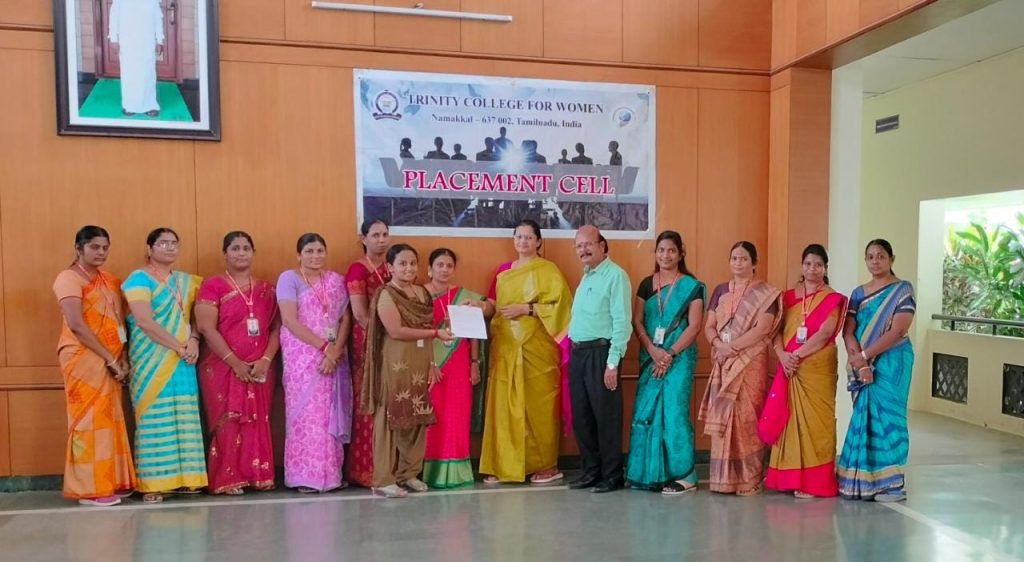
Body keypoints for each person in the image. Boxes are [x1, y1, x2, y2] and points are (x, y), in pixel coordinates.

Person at [480, 220, 573, 485]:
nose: (523, 241)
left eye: (529, 237)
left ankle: (545, 465)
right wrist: (479, 306)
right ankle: (502, 464)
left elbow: (562, 308)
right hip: (506, 349)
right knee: (504, 407)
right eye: (519, 237)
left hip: (538, 351)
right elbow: (493, 305)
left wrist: (527, 309)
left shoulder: (549, 271)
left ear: (539, 241)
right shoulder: (503, 272)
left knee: (539, 407)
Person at [362, 244, 455, 498]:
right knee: (390, 418)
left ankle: (409, 473)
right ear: (390, 268)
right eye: (402, 263)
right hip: (395, 363)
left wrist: (432, 363)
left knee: (417, 417)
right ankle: (383, 480)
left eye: (413, 263)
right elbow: (396, 331)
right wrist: (435, 333)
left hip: (419, 363)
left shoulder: (422, 293)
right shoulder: (386, 294)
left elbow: (427, 327)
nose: (409, 268)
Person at [53, 226, 136, 506]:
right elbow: (77, 325)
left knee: (110, 418)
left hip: (112, 360)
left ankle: (112, 480)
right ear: (79, 248)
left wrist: (122, 357)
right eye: (94, 247)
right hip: (82, 357)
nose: (101, 252)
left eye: (105, 247)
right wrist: (109, 359)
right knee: (89, 421)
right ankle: (89, 489)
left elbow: (120, 323)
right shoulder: (68, 278)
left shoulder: (110, 281)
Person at [122, 227, 206, 503]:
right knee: (154, 419)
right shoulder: (138, 279)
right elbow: (144, 321)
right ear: (149, 249)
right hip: (152, 360)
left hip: (185, 359)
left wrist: (194, 340)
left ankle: (187, 480)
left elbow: (197, 316)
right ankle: (153, 483)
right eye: (162, 243)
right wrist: (178, 346)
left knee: (184, 415)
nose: (169, 248)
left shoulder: (186, 281)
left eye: (174, 243)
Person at [195, 231, 281, 495]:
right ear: (225, 253)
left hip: (261, 367)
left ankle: (257, 475)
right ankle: (228, 477)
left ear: (253, 253)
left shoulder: (267, 289)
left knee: (257, 418)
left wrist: (266, 359)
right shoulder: (213, 285)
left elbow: (277, 329)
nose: (241, 253)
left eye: (246, 248)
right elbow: (206, 328)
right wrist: (235, 364)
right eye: (235, 248)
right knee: (230, 421)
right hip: (222, 367)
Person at [698, 241, 781, 496]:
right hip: (723, 361)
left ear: (754, 263)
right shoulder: (721, 290)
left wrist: (731, 348)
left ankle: (749, 479)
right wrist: (718, 345)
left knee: (747, 417)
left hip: (750, 360)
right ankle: (723, 480)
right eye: (734, 258)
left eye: (744, 259)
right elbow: (709, 325)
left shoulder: (766, 293)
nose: (738, 263)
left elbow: (763, 328)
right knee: (724, 417)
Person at [765, 244, 848, 498]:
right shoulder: (787, 297)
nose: (813, 269)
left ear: (825, 269)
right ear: (802, 266)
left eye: (818, 265)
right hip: (789, 366)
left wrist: (796, 356)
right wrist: (782, 355)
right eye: (808, 264)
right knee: (789, 419)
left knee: (817, 423)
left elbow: (825, 333)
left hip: (816, 369)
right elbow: (775, 330)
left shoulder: (832, 298)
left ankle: (814, 482)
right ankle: (788, 478)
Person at [626, 231, 705, 495]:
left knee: (674, 413)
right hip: (650, 358)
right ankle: (648, 473)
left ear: (680, 253)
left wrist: (669, 353)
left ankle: (684, 476)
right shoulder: (646, 284)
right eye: (661, 250)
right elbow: (637, 320)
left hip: (679, 359)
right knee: (646, 413)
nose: (665, 255)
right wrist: (652, 349)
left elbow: (694, 326)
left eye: (671, 250)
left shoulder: (692, 286)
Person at [837, 239, 916, 502]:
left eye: (880, 256)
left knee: (890, 417)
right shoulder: (859, 293)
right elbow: (848, 331)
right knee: (865, 416)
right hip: (862, 362)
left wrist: (865, 357)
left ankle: (892, 484)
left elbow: (898, 330)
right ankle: (862, 480)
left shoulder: (902, 290)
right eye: (870, 257)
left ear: (892, 259)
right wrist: (861, 364)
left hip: (893, 361)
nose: (875, 261)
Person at [277, 233, 353, 493]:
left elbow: (345, 319)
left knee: (329, 414)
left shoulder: (336, 281)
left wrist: (336, 350)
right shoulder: (289, 279)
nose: (315, 256)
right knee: (305, 414)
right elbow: (289, 320)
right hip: (302, 358)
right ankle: (303, 476)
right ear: (299, 255)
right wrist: (325, 348)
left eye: (320, 250)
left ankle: (331, 476)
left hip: (333, 356)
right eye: (309, 251)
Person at [566, 226, 632, 493]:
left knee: (606, 417)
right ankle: (591, 471)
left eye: (588, 244)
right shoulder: (586, 276)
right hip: (578, 354)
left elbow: (622, 322)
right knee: (582, 417)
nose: (583, 250)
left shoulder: (616, 276)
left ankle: (612, 475)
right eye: (579, 245)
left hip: (601, 354)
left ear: (602, 246)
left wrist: (612, 363)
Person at [422, 249, 494, 488]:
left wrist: (474, 364)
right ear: (429, 269)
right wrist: (429, 364)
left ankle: (456, 473)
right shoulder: (419, 295)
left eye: (449, 265)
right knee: (433, 417)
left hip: (460, 362)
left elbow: (474, 331)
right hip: (430, 363)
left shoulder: (463, 296)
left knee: (457, 415)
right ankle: (430, 472)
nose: (444, 269)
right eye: (439, 265)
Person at [344, 218, 392, 487]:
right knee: (369, 404)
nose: (381, 240)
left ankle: (389, 468)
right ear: (363, 239)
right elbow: (360, 314)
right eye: (375, 235)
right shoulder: (358, 269)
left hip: (394, 343)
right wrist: (383, 339)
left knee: (391, 404)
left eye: (385, 234)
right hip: (368, 345)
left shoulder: (392, 266)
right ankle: (365, 470)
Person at [108, 0, 164, 117]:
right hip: (127, 41)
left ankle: (150, 105)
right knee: (129, 73)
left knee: (147, 73)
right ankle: (130, 105)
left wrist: (159, 40)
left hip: (146, 41)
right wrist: (113, 39)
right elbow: (114, 17)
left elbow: (157, 18)